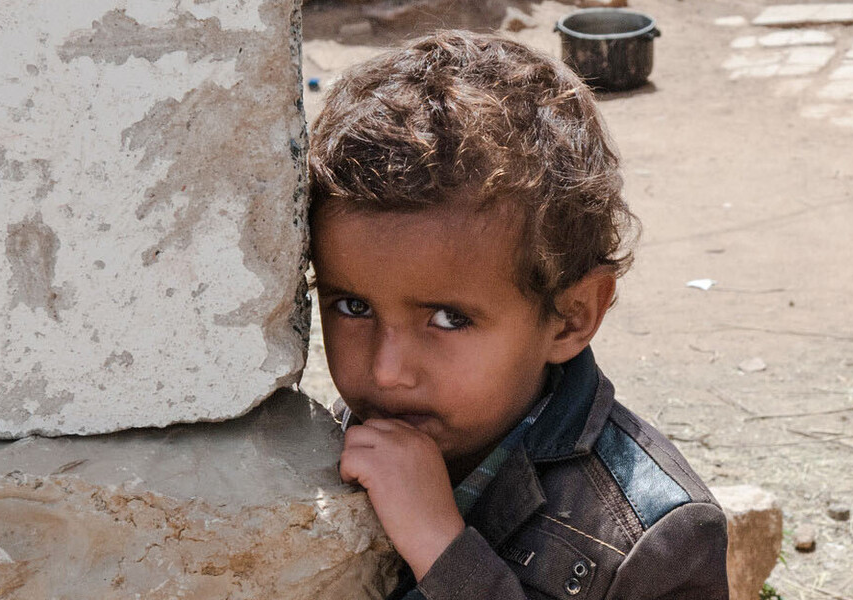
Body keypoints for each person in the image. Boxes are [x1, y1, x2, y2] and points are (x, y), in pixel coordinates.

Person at [305, 30, 729, 600]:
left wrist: (442, 549)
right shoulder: (330, 445)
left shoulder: (653, 538)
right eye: (353, 306)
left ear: (571, 317)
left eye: (449, 319)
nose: (387, 372)